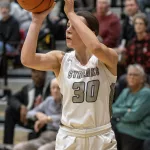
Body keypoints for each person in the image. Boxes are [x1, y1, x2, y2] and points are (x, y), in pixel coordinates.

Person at [20, 0, 118, 149]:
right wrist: (36, 21)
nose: (68, 30)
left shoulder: (108, 58)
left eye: (75, 26)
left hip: (100, 136)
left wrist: (71, 13)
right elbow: (27, 59)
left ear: (91, 33)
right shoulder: (61, 60)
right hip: (69, 137)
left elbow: (96, 47)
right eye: (67, 26)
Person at [4, 69, 51, 144]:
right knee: (10, 111)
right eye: (33, 71)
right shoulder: (27, 88)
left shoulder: (51, 88)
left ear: (45, 73)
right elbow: (11, 98)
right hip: (28, 119)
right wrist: (20, 107)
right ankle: (7, 145)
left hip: (44, 121)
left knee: (32, 139)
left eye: (39, 71)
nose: (36, 74)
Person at [13, 78, 62, 150]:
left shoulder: (67, 102)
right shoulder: (48, 101)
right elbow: (29, 113)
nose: (55, 90)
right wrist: (37, 114)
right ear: (50, 90)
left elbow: (66, 118)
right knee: (19, 147)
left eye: (58, 88)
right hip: (47, 135)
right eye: (53, 88)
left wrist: (48, 119)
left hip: (61, 136)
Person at [112, 64, 150, 150]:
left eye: (135, 75)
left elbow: (134, 116)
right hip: (121, 127)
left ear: (142, 79)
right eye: (130, 74)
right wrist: (127, 110)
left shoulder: (146, 93)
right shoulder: (126, 91)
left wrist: (119, 116)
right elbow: (111, 110)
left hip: (136, 132)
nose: (132, 77)